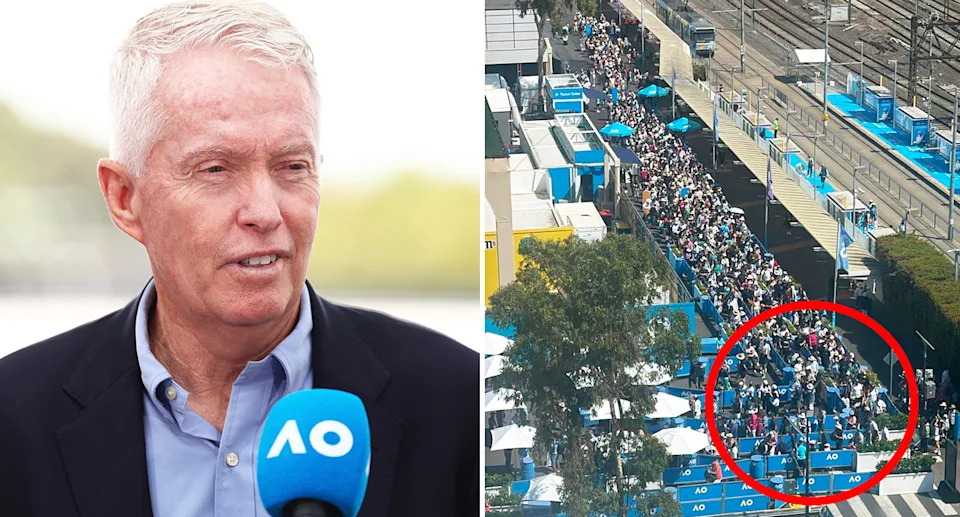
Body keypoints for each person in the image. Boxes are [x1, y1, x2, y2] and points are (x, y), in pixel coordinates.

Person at [0, 3, 479, 516]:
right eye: (215, 169)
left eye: (292, 166)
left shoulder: (459, 404)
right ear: (124, 198)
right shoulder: (14, 420)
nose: (265, 212)